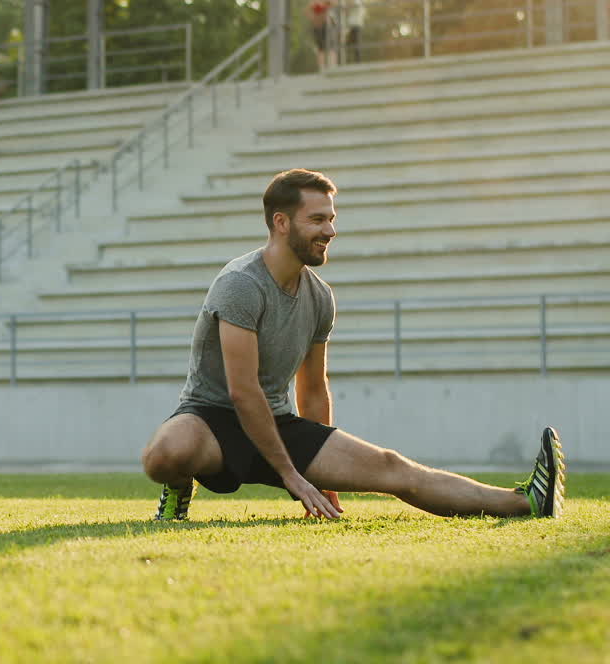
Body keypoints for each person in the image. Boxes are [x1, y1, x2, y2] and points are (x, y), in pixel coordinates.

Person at [141, 169, 566, 522]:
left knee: (392, 467)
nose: (330, 230)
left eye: (331, 218)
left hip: (277, 422)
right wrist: (293, 476)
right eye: (317, 219)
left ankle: (527, 501)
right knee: (166, 453)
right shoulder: (240, 284)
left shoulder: (320, 297)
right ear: (281, 223)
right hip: (212, 419)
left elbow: (312, 389)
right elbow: (242, 390)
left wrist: (323, 479)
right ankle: (178, 491)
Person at [306, 0, 338, 72]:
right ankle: (322, 67)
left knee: (331, 46)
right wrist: (314, 19)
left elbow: (335, 2)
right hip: (318, 26)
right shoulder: (314, 1)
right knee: (321, 47)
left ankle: (333, 66)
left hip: (328, 25)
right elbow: (308, 12)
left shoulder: (328, 0)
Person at [344, 0, 366, 64]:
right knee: (350, 43)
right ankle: (353, 61)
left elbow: (351, 6)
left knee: (355, 43)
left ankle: (357, 61)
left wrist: (347, 6)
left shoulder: (356, 1)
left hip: (356, 24)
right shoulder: (355, 1)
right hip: (353, 25)